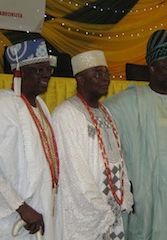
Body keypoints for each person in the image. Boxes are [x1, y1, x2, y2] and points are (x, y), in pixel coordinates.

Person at [103, 29, 167, 240]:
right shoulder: (135, 99)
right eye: (166, 67)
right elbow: (105, 112)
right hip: (148, 185)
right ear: (151, 69)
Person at [52, 50, 133, 239]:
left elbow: (118, 158)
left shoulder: (106, 112)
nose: (105, 79)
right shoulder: (65, 114)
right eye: (97, 74)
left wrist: (124, 191)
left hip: (112, 201)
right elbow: (74, 170)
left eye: (106, 74)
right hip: (87, 210)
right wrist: (98, 207)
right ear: (80, 79)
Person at [0, 39, 59, 239]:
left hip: (43, 209)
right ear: (20, 72)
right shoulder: (1, 104)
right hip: (11, 217)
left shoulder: (42, 107)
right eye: (38, 70)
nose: (46, 75)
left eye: (48, 69)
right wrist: (20, 207)